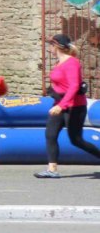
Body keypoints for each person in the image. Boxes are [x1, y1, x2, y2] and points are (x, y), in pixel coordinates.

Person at [37, 32, 100, 178]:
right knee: (50, 135)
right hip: (59, 104)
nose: (49, 49)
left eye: (51, 45)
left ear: (57, 46)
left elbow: (73, 86)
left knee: (76, 140)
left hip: (74, 107)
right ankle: (52, 170)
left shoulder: (72, 63)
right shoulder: (59, 63)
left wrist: (61, 105)